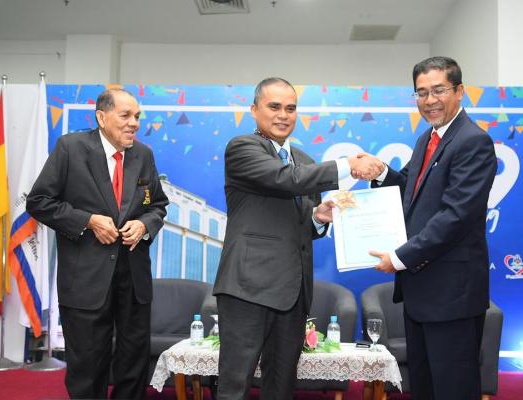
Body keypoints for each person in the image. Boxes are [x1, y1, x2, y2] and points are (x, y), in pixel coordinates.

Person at [213, 77, 380, 400]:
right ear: (254, 110)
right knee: (235, 385)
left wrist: (317, 218)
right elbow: (283, 179)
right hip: (247, 289)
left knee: (282, 386)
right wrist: (348, 165)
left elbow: (299, 223)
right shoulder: (242, 148)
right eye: (274, 107)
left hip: (293, 293)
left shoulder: (304, 160)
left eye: (290, 108)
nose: (283, 115)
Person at [357, 57, 498, 399]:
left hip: (452, 295)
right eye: (421, 93)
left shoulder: (472, 142)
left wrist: (399, 257)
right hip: (421, 292)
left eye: (438, 90)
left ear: (459, 91)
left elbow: (455, 216)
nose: (429, 100)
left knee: (452, 389)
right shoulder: (428, 138)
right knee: (424, 387)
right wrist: (380, 172)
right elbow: (410, 188)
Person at [26, 88, 168, 399]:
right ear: (101, 118)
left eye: (137, 116)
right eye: (125, 115)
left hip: (133, 279)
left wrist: (144, 225)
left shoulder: (143, 155)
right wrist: (88, 221)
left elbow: (157, 205)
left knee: (133, 363)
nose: (134, 123)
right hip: (86, 279)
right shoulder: (71, 148)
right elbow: (39, 202)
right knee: (88, 365)